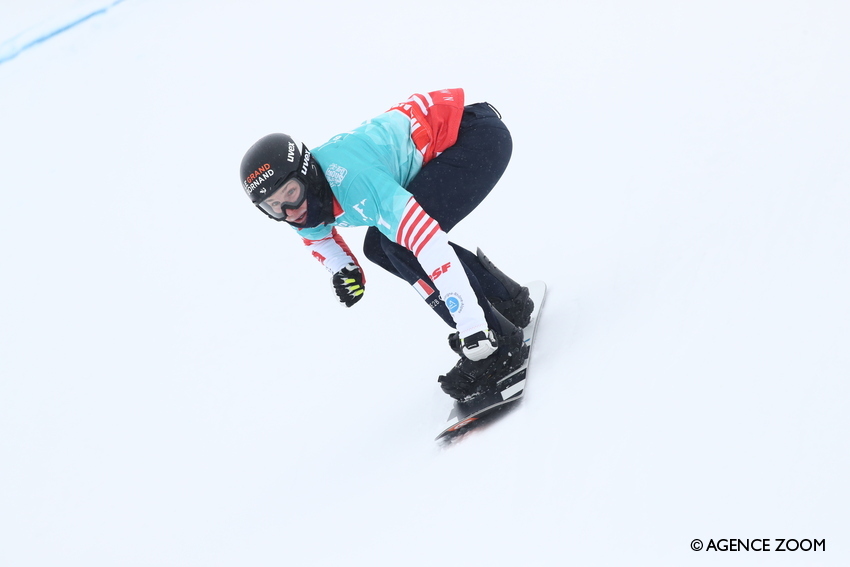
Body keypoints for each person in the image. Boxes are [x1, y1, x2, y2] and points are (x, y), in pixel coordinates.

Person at [239, 88, 533, 400]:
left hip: (476, 139)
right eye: (273, 206)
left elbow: (428, 245)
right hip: (460, 134)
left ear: (308, 173)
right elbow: (317, 237)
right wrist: (344, 269)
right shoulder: (306, 200)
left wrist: (472, 328)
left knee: (401, 246)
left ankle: (493, 343)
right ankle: (505, 303)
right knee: (379, 246)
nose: (289, 210)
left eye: (290, 193)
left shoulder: (353, 181)